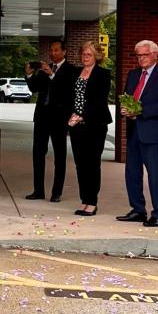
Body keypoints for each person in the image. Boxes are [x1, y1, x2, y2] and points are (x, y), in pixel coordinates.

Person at [117, 39, 158, 228]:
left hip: (153, 133)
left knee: (155, 175)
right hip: (134, 131)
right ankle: (137, 210)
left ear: (154, 54)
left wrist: (140, 111)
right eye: (138, 55)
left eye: (144, 55)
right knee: (132, 173)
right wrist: (125, 109)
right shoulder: (133, 74)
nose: (141, 59)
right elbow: (127, 97)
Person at [24, 40, 78, 202]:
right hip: (41, 116)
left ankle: (56, 192)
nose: (53, 53)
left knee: (59, 155)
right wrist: (28, 74)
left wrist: (52, 75)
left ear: (64, 52)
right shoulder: (44, 68)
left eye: (56, 50)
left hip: (59, 118)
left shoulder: (71, 70)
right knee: (38, 153)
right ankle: (38, 190)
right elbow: (35, 88)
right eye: (51, 50)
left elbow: (67, 90)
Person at [67, 42, 112, 216]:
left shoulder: (103, 74)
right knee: (80, 164)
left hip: (95, 124)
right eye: (84, 54)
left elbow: (99, 100)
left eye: (89, 54)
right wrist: (72, 116)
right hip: (76, 125)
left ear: (97, 57)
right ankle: (84, 200)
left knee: (92, 163)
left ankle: (92, 202)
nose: (85, 57)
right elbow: (69, 97)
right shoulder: (75, 73)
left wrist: (83, 115)